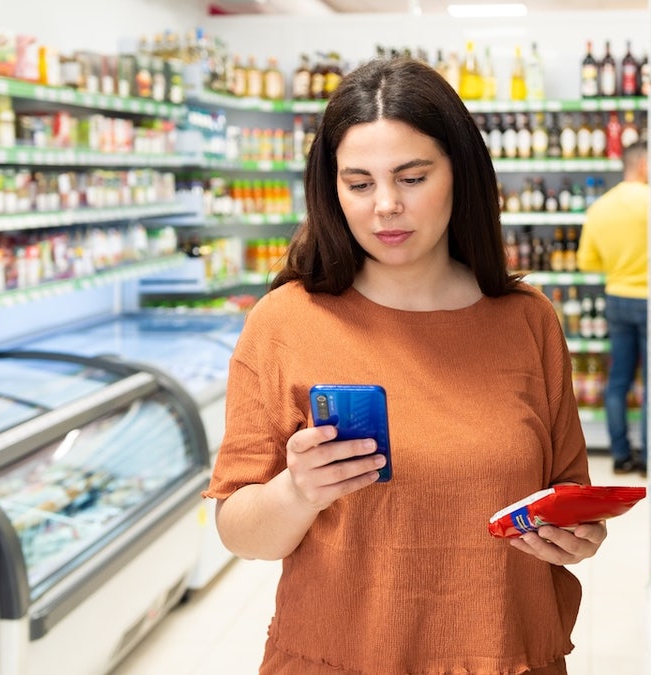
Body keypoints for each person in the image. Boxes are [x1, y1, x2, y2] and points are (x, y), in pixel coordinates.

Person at [202, 56, 607, 674]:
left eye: (412, 178)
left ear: (460, 174)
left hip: (503, 654)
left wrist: (573, 536)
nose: (385, 205)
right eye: (359, 183)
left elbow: (568, 495)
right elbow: (237, 530)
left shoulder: (528, 321)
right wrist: (297, 490)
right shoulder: (284, 322)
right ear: (331, 189)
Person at [576, 142, 650, 475]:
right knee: (650, 380)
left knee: (618, 379)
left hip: (617, 296)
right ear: (645, 164)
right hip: (650, 299)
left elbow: (585, 261)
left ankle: (620, 456)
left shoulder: (601, 208)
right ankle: (648, 456)